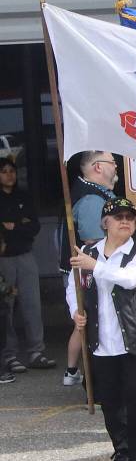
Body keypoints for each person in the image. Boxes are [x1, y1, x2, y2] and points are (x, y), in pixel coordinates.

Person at [66, 198, 136, 461]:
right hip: (100, 339)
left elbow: (132, 278)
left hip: (134, 337)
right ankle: (121, 451)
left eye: (130, 217)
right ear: (105, 223)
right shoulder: (86, 251)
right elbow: (73, 286)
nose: (125, 222)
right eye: (118, 217)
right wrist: (75, 312)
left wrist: (95, 266)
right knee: (110, 399)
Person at [59, 151, 117, 385]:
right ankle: (94, 384)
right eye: (112, 162)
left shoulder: (92, 192)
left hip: (87, 271)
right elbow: (97, 243)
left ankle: (82, 376)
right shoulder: (92, 200)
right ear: (98, 167)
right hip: (88, 273)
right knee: (92, 325)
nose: (116, 167)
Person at [0, 157, 53, 372]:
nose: (9, 175)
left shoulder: (23, 196)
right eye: (4, 171)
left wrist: (13, 227)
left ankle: (36, 351)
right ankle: (9, 354)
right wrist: (15, 226)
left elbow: (34, 226)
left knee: (32, 304)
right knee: (7, 307)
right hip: (4, 259)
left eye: (11, 171)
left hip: (26, 254)